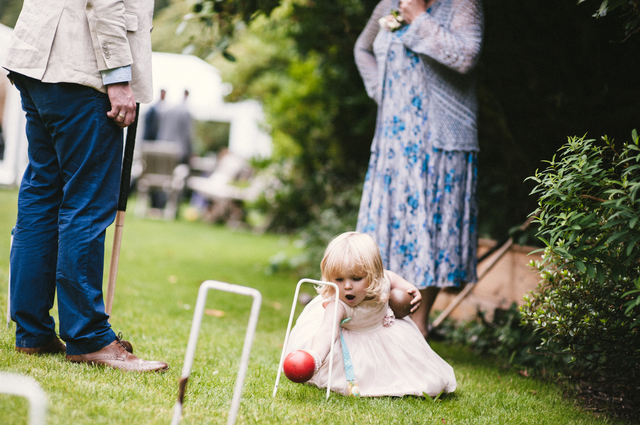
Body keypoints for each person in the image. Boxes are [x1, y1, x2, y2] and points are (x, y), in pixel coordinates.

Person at [4, 0, 168, 372]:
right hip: (80, 70)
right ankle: (89, 337)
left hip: (38, 64)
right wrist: (118, 76)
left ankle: (32, 331)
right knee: (86, 204)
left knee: (42, 197)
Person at [354, 0, 484, 338]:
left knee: (433, 229)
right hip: (393, 141)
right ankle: (382, 316)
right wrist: (380, 90)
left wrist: (419, 18)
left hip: (439, 142)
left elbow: (466, 56)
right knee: (390, 231)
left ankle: (419, 326)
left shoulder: (461, 4)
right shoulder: (388, 3)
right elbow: (362, 48)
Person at [285, 232, 457, 397]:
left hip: (383, 336)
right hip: (351, 343)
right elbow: (327, 330)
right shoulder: (337, 305)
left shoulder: (381, 281)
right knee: (361, 374)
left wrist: (409, 288)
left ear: (373, 275)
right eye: (339, 279)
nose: (347, 286)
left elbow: (391, 277)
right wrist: (315, 357)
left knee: (406, 372)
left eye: (356, 278)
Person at [157, 89, 194, 164]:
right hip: (179, 151)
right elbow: (188, 134)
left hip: (164, 148)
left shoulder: (165, 111)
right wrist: (191, 151)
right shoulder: (185, 112)